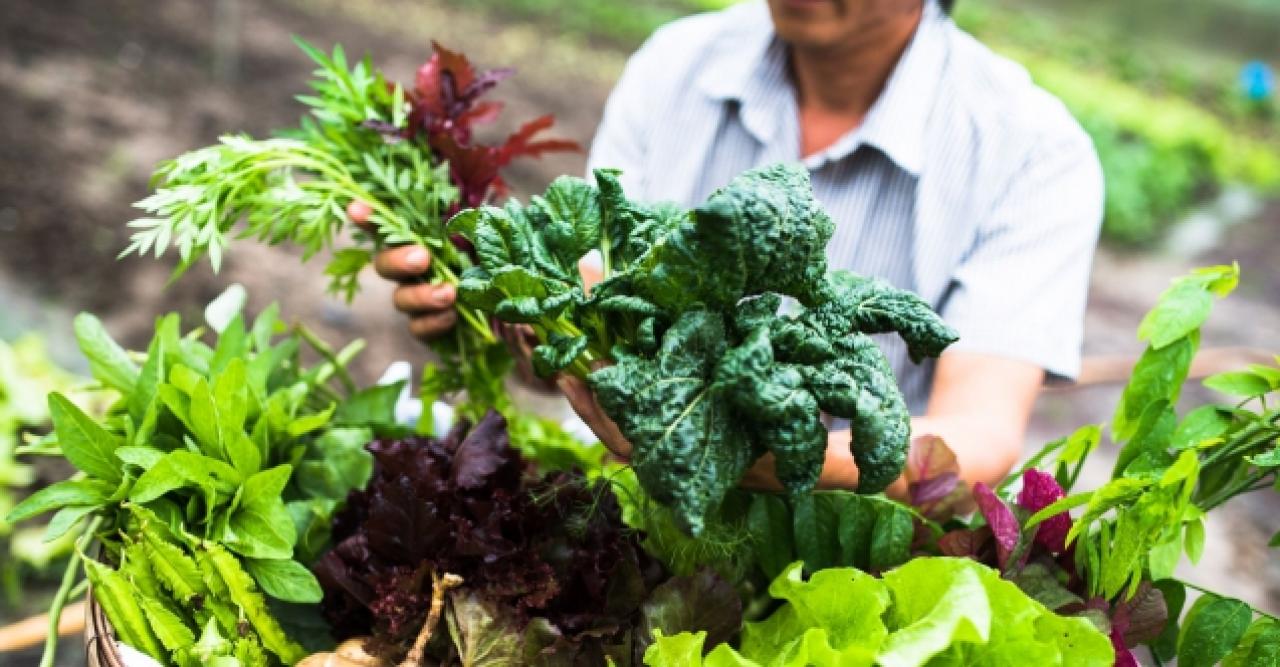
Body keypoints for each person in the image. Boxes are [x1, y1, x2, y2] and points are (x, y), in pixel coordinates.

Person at [368, 0, 1104, 495]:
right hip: (625, 499)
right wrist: (495, 309)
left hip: (847, 547)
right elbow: (594, 302)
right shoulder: (677, 64)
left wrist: (731, 453)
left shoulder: (1033, 152)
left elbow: (976, 433)